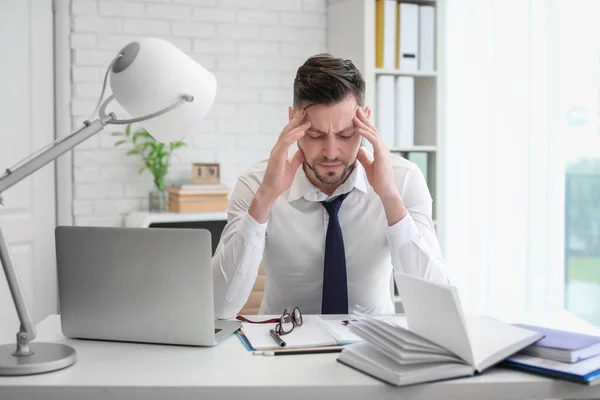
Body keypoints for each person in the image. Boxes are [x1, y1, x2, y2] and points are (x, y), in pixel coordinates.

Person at [212, 53, 447, 320]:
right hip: (281, 347)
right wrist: (266, 197)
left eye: (346, 134)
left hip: (371, 348)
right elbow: (220, 307)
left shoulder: (403, 180)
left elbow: (435, 305)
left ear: (366, 120)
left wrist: (390, 198)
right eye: (315, 135)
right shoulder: (255, 184)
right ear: (293, 122)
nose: (332, 152)